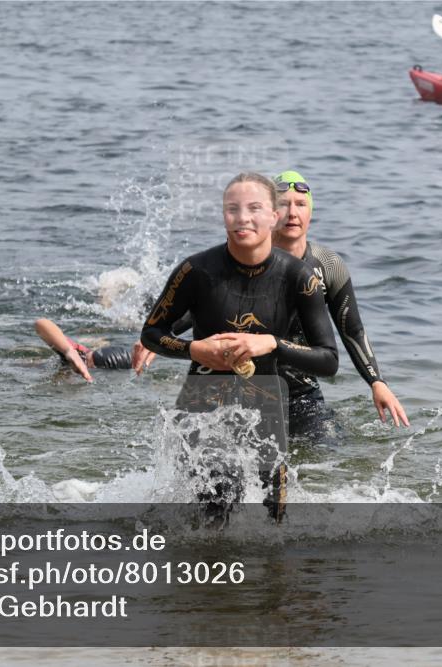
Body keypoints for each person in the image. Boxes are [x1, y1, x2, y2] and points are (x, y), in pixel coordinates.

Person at [141, 172, 338, 521]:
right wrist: (193, 350)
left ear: (273, 217)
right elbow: (152, 333)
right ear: (223, 215)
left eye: (254, 208)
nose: (242, 217)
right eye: (233, 208)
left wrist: (270, 343)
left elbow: (328, 360)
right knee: (212, 513)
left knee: (272, 520)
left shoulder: (300, 278)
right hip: (205, 397)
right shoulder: (194, 270)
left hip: (265, 401)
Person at [271, 170, 409, 437]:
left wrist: (376, 382)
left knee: (329, 450)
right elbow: (203, 306)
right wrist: (163, 333)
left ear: (311, 212)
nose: (292, 213)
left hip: (303, 393)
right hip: (251, 389)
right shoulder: (248, 261)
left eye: (300, 204)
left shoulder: (328, 264)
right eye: (283, 204)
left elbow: (352, 329)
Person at [34, 317, 147, 383]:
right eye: (86, 361)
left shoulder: (84, 363)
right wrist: (69, 351)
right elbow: (41, 323)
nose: (83, 363)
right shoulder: (78, 355)